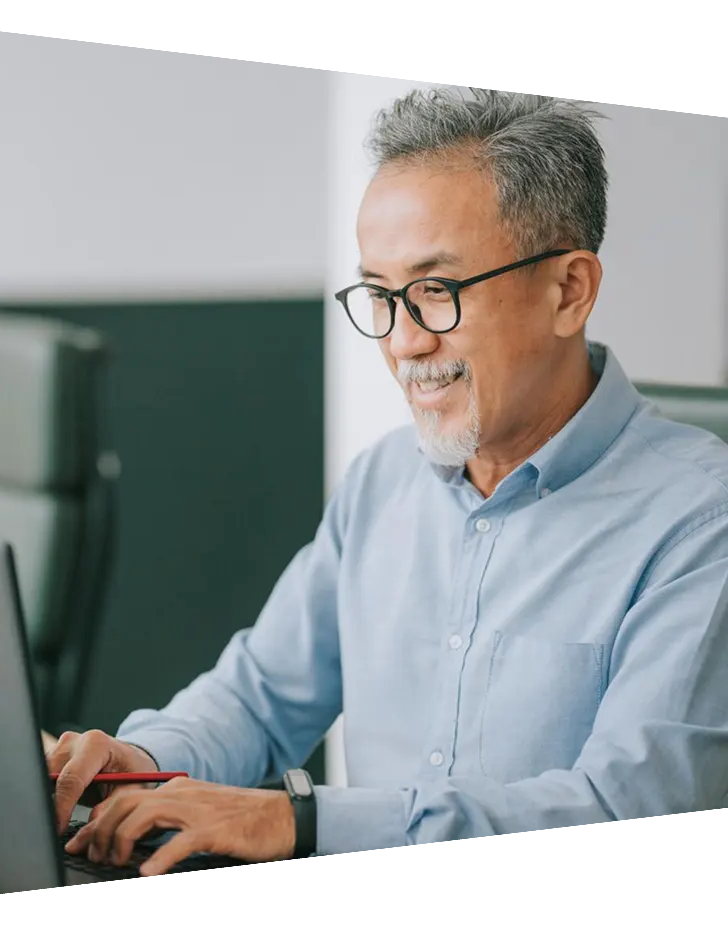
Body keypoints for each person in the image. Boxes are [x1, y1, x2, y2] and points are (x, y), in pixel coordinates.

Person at [48, 85, 728, 879]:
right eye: (379, 295)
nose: (403, 341)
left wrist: (300, 822)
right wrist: (135, 762)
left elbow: (624, 812)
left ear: (569, 290)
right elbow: (257, 697)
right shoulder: (385, 482)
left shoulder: (700, 520)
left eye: (437, 291)